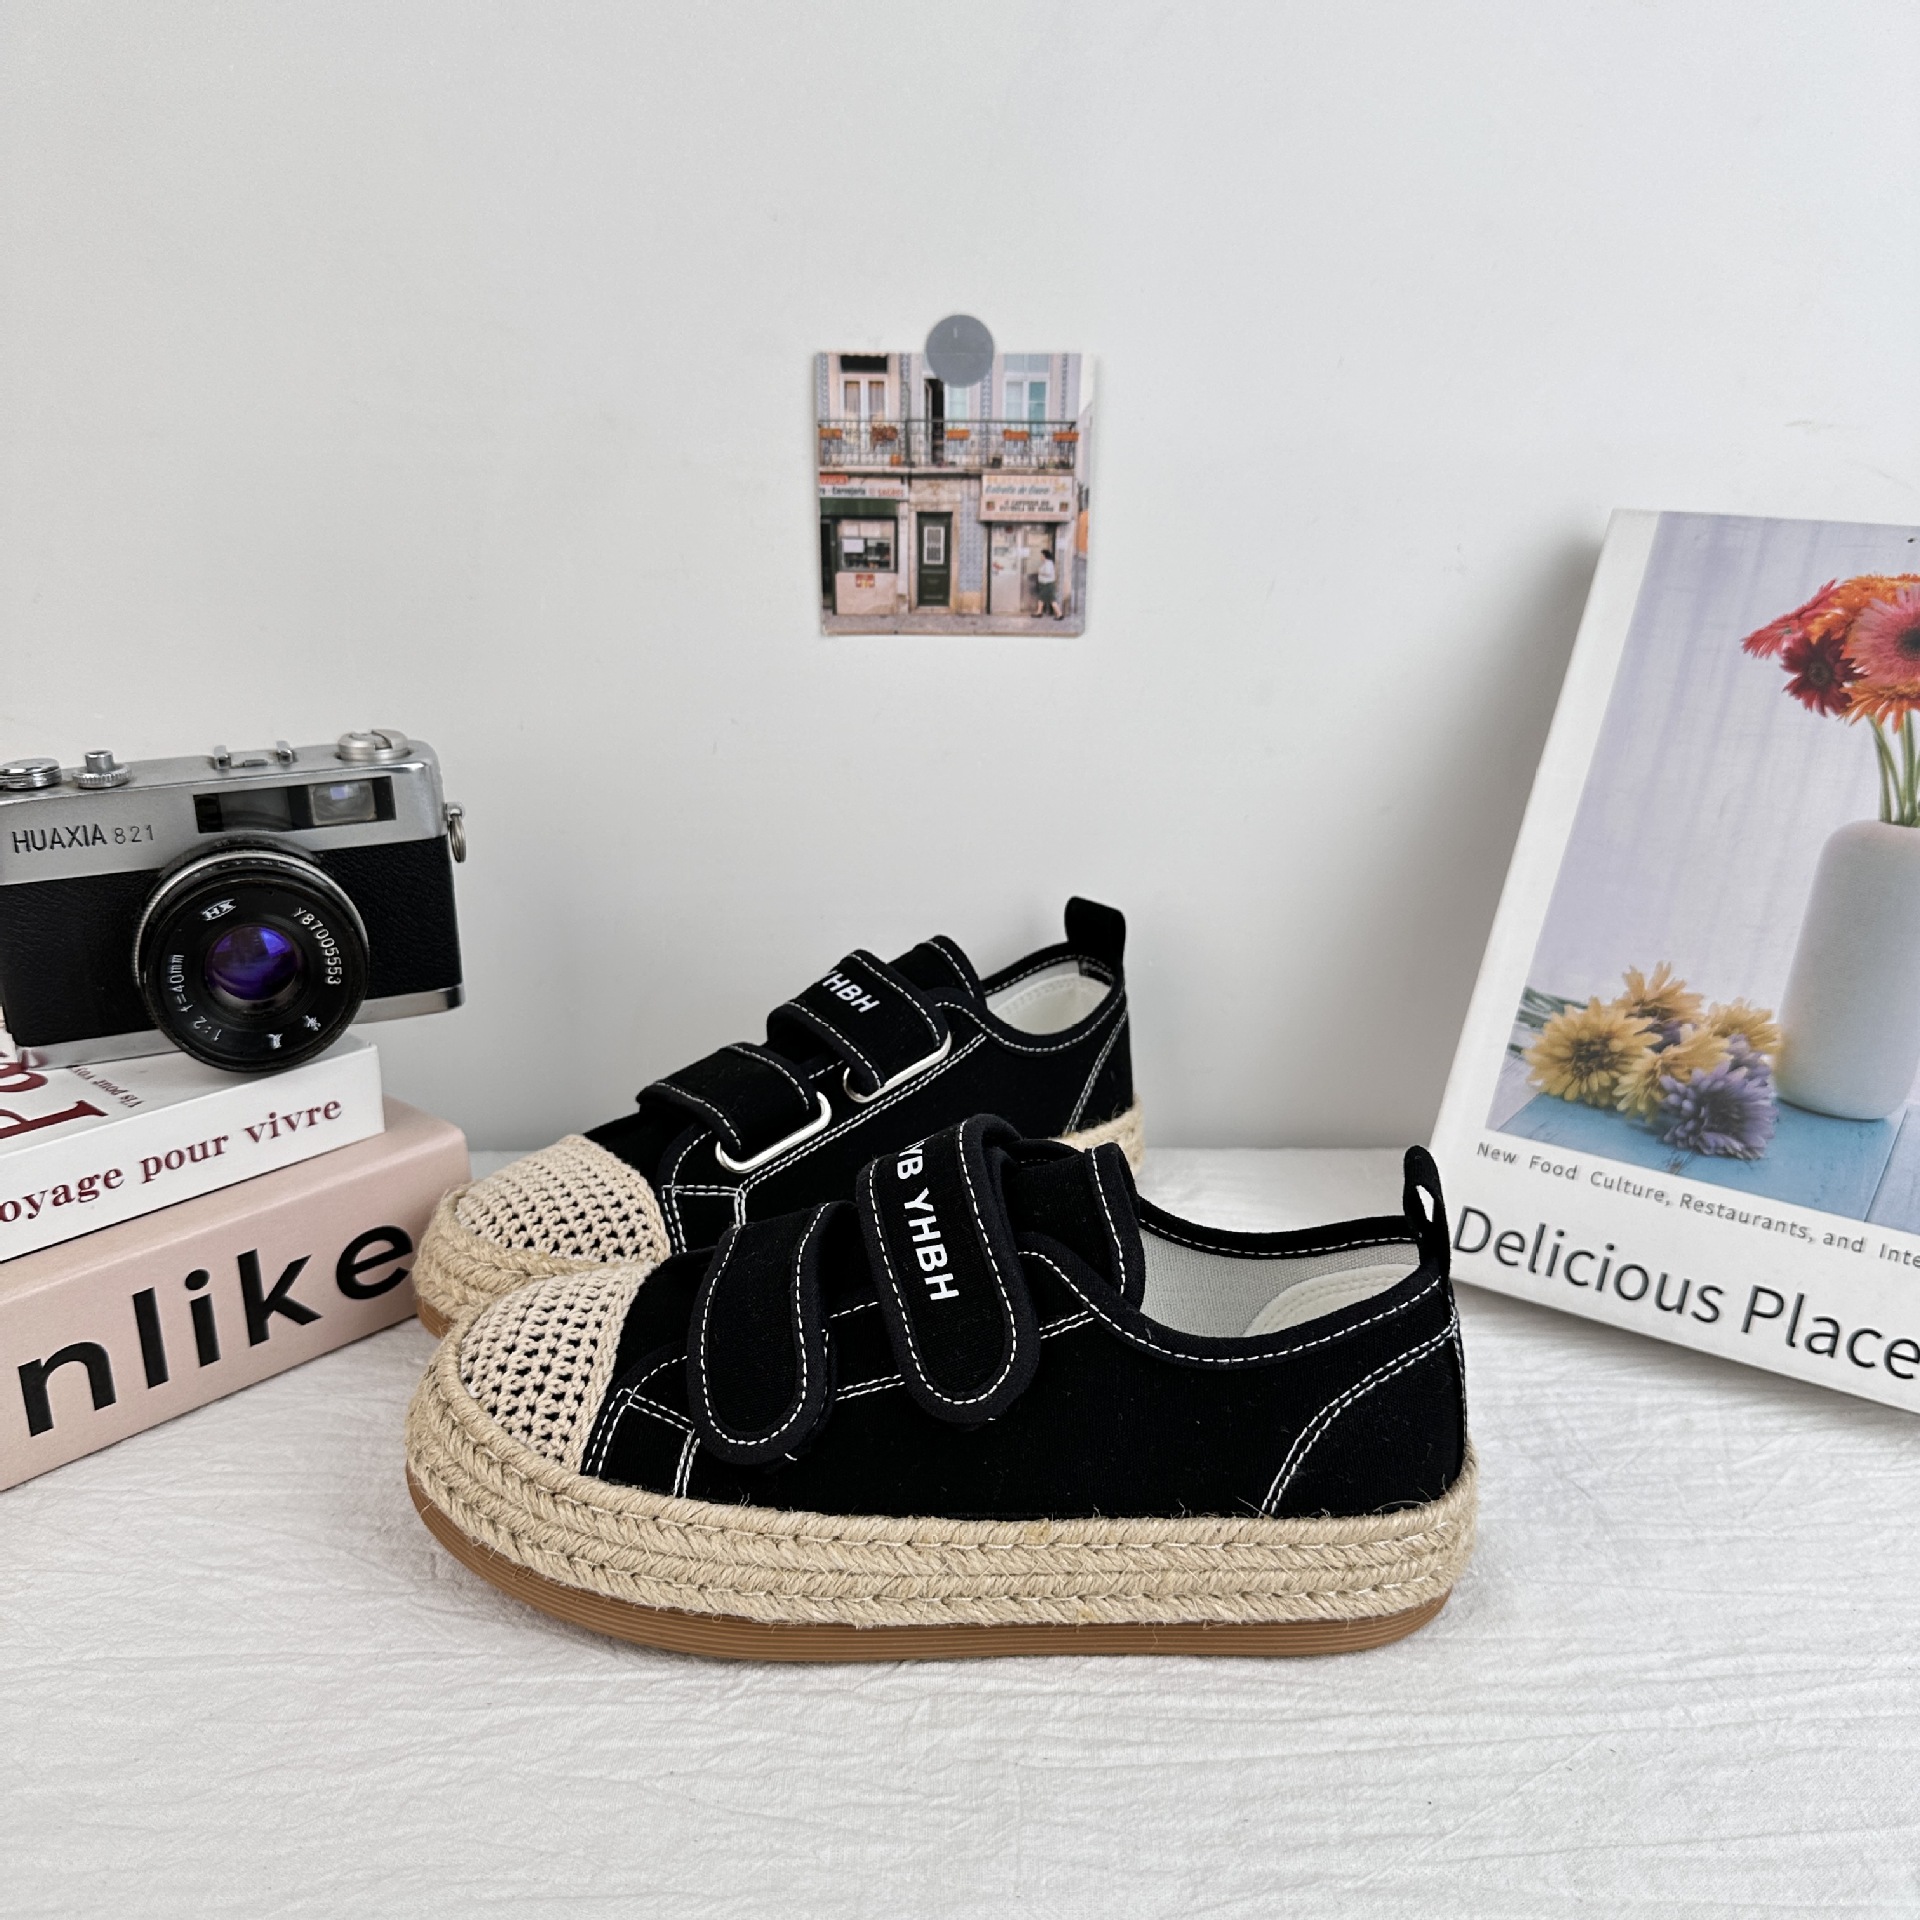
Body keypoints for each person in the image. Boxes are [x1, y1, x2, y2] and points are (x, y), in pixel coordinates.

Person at [1034, 548, 1059, 620]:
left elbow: (1047, 573)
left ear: (1045, 556)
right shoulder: (1046, 563)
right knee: (1041, 599)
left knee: (1052, 600)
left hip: (1047, 585)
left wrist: (1040, 571)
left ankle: (1059, 614)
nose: (1041, 557)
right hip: (1045, 584)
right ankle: (1039, 612)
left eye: (1042, 555)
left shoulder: (1048, 563)